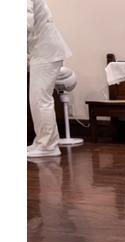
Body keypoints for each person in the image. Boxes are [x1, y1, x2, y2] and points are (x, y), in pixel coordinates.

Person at [28, 0, 72, 158]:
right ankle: (41, 142)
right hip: (43, 50)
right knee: (37, 100)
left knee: (40, 99)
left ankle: (48, 146)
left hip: (45, 51)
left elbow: (24, 23)